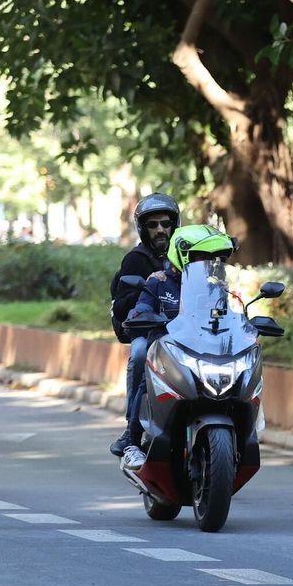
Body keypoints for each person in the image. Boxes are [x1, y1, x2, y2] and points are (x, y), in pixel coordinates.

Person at [120, 223, 237, 471]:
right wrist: (141, 315)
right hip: (166, 351)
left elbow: (228, 318)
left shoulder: (214, 286)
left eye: (209, 258)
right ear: (182, 254)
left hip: (202, 352)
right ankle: (131, 442)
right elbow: (141, 308)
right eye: (199, 257)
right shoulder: (158, 282)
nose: (205, 262)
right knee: (146, 379)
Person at [109, 194, 181, 458]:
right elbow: (120, 307)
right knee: (140, 354)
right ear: (143, 228)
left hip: (185, 333)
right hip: (149, 332)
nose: (160, 229)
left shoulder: (188, 255)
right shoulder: (136, 259)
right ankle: (131, 431)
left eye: (165, 223)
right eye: (153, 225)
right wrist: (148, 284)